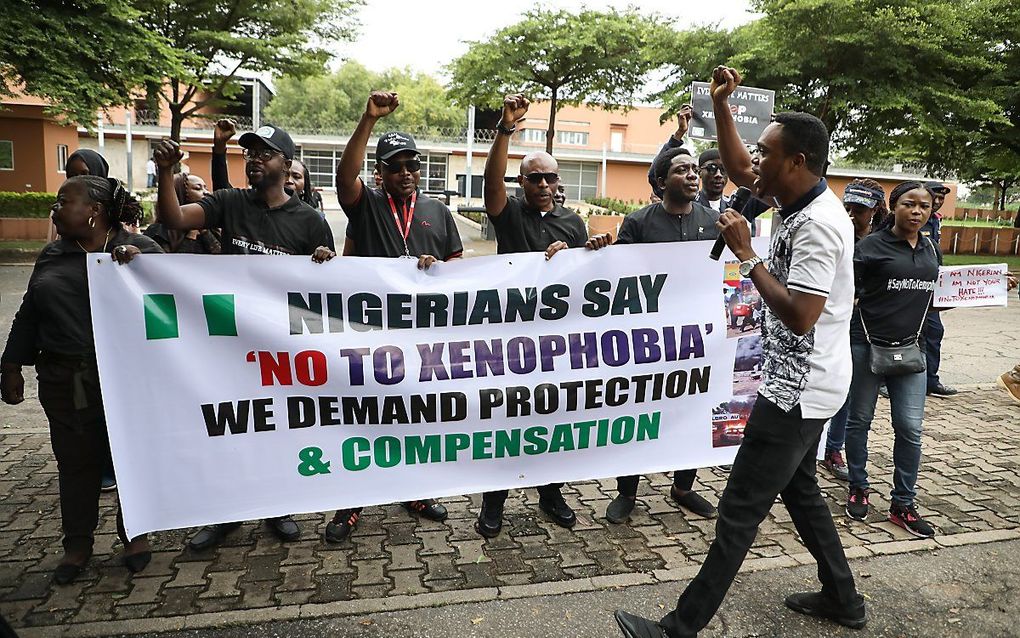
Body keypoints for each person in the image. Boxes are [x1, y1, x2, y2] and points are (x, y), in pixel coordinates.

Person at [615, 66, 864, 637]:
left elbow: (802, 317)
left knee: (738, 512)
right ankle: (843, 600)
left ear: (797, 161)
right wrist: (721, 105)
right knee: (802, 495)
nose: (756, 161)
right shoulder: (795, 200)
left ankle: (678, 628)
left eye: (767, 152)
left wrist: (748, 256)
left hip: (797, 391)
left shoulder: (821, 225)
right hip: (798, 384)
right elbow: (737, 169)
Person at [152, 123, 334, 550]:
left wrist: (325, 262)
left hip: (280, 352)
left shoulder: (310, 222)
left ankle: (276, 507)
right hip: (230, 347)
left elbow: (325, 296)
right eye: (249, 152)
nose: (253, 159)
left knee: (276, 430)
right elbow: (175, 218)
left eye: (264, 153)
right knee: (229, 427)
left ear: (286, 166)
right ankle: (225, 513)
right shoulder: (229, 203)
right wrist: (165, 173)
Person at [316, 90, 464, 544]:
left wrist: (436, 270)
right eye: (395, 165)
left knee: (417, 417)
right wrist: (368, 119)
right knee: (364, 417)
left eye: (412, 165)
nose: (405, 173)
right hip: (371, 335)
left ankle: (416, 492)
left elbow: (461, 269)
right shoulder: (365, 203)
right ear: (380, 172)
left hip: (422, 338)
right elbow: (345, 176)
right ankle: (350, 505)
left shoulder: (438, 211)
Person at [1, 176, 161, 584]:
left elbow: (174, 308)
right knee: (75, 463)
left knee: (130, 459)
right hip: (63, 379)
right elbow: (29, 312)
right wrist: (12, 364)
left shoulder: (140, 251)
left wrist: (140, 270)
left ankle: (135, 536)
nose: (55, 209)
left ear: (94, 210)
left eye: (63, 201)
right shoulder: (53, 254)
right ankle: (77, 545)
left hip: (125, 381)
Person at [474, 94, 610, 538]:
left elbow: (585, 278)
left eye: (552, 177)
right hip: (513, 341)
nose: (546, 185)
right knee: (509, 420)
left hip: (558, 344)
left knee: (552, 422)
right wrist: (504, 130)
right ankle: (494, 501)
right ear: (522, 182)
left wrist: (586, 252)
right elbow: (491, 183)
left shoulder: (572, 222)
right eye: (537, 179)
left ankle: (551, 493)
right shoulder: (508, 213)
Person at [586, 146, 720, 524]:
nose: (694, 175)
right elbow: (618, 274)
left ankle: (683, 487)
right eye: (682, 170)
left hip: (697, 339)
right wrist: (600, 251)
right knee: (640, 411)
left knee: (693, 409)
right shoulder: (639, 222)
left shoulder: (714, 222)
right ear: (662, 183)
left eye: (695, 169)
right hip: (648, 340)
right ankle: (627, 492)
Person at [844, 181, 942, 539]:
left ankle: (903, 503)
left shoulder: (931, 249)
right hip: (867, 347)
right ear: (894, 206)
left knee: (910, 429)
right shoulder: (869, 248)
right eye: (909, 204)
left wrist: (988, 289)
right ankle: (858, 485)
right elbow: (847, 294)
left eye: (924, 207)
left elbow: (934, 298)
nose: (917, 212)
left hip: (911, 351)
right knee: (860, 419)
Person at [820, 179, 888, 482]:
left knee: (851, 394)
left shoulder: (884, 240)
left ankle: (833, 449)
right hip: (834, 323)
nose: (851, 214)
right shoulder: (835, 233)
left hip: (868, 329)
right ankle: (821, 447)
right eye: (847, 206)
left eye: (859, 209)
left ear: (875, 210)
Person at [920, 180, 956, 398]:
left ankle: (931, 380)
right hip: (912, 285)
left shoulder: (935, 220)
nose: (939, 202)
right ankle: (888, 381)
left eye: (942, 198)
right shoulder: (912, 218)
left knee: (934, 331)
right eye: (935, 197)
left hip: (933, 284)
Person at [144, 173, 221, 254]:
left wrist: (205, 232)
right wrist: (191, 235)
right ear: (179, 195)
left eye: (206, 188)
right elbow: (170, 263)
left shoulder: (211, 227)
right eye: (198, 188)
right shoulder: (159, 231)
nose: (207, 192)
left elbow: (222, 257)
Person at [694, 149, 730, 213]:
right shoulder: (688, 205)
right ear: (699, 172)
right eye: (712, 168)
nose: (718, 175)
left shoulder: (733, 207)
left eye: (723, 169)